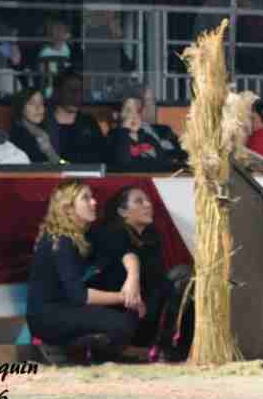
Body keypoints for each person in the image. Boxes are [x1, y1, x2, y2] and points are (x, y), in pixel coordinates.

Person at [26, 181, 139, 365]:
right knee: (122, 323)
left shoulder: (85, 232)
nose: (94, 202)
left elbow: (124, 251)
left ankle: (99, 356)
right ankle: (60, 346)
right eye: (86, 198)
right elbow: (79, 296)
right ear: (68, 208)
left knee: (127, 316)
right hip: (48, 316)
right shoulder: (62, 240)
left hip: (68, 308)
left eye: (92, 197)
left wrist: (133, 277)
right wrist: (125, 297)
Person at [87, 184, 193, 361]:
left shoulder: (151, 235)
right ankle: (137, 347)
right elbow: (120, 268)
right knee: (180, 277)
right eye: (139, 201)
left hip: (146, 306)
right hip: (117, 306)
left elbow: (157, 277)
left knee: (185, 279)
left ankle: (170, 346)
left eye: (148, 201)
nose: (147, 205)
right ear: (122, 212)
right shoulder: (110, 232)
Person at [107, 94, 178, 172]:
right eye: (128, 111)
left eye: (137, 111)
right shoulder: (114, 138)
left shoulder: (148, 138)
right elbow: (123, 163)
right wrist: (124, 131)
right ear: (116, 115)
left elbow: (164, 161)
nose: (134, 116)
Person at [9, 88, 64, 164]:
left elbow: (60, 162)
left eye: (41, 103)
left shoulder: (43, 132)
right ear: (21, 107)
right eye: (32, 103)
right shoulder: (19, 135)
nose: (38, 108)